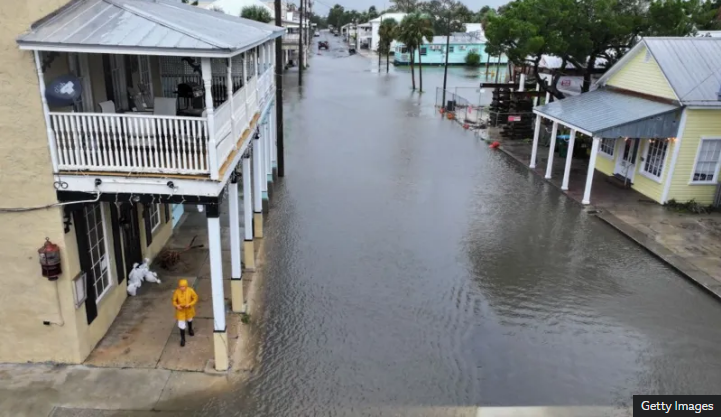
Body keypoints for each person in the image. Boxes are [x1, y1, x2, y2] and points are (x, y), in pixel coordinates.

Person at [172, 279, 198, 347]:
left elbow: (195, 298)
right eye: (180, 286)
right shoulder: (177, 292)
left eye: (183, 286)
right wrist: (177, 306)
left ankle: (190, 329)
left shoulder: (190, 290)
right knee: (181, 324)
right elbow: (174, 300)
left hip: (188, 309)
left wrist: (190, 304)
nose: (182, 288)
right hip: (180, 310)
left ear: (186, 286)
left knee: (189, 319)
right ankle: (183, 339)